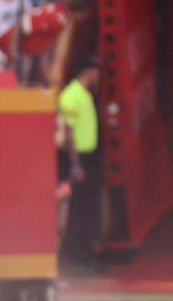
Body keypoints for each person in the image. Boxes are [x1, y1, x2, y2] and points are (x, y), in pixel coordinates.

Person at [57, 55, 101, 271]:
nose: (98, 75)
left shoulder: (84, 94)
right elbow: (68, 132)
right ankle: (77, 257)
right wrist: (75, 165)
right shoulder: (71, 95)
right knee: (78, 210)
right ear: (87, 71)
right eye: (95, 70)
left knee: (86, 208)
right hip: (78, 158)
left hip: (89, 156)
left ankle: (83, 255)